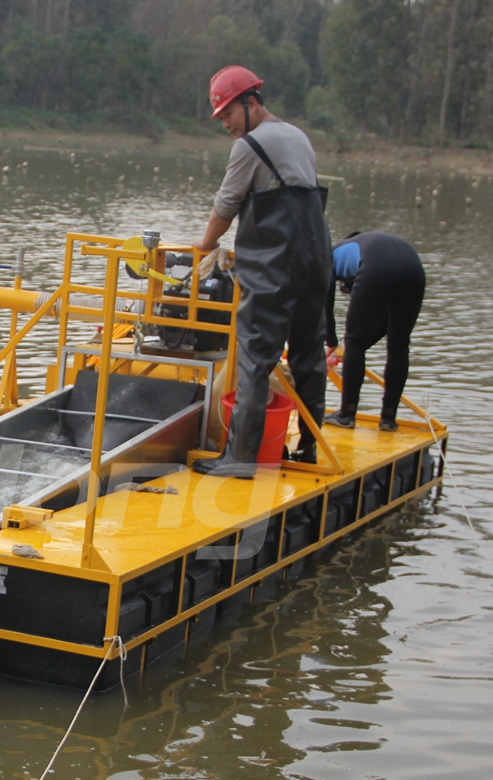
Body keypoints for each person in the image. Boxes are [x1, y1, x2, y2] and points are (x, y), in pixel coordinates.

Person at [191, 65, 332, 478]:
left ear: (251, 103)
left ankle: (240, 458)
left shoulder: (250, 146)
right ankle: (307, 448)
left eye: (229, 114)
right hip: (316, 257)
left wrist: (205, 246)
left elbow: (225, 206)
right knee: (309, 354)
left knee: (254, 354)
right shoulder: (297, 136)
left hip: (276, 263)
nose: (228, 125)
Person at [323, 232, 426, 432]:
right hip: (415, 269)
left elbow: (324, 303)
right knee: (399, 345)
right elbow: (385, 323)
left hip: (378, 268)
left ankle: (346, 415)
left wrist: (332, 342)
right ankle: (388, 418)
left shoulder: (329, 255)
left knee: (354, 341)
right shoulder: (369, 243)